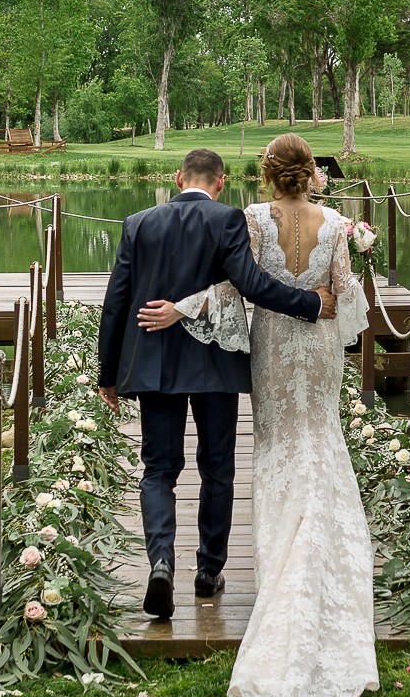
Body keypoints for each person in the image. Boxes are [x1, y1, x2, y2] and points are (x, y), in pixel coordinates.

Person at [137, 133, 380, 697]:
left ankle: (281, 570)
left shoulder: (252, 218)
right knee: (319, 440)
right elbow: (343, 298)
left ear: (267, 174)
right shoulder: (336, 225)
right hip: (318, 349)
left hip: (270, 343)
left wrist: (183, 307)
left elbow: (236, 284)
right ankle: (319, 549)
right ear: (311, 173)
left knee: (277, 449)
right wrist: (321, 298)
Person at [97, 148, 336, 621]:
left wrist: (109, 374)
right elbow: (251, 284)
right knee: (217, 469)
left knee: (159, 470)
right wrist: (308, 303)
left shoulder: (138, 223)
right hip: (215, 364)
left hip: (156, 367)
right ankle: (209, 572)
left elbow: (115, 301)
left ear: (177, 177)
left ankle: (161, 562)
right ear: (221, 182)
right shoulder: (227, 220)